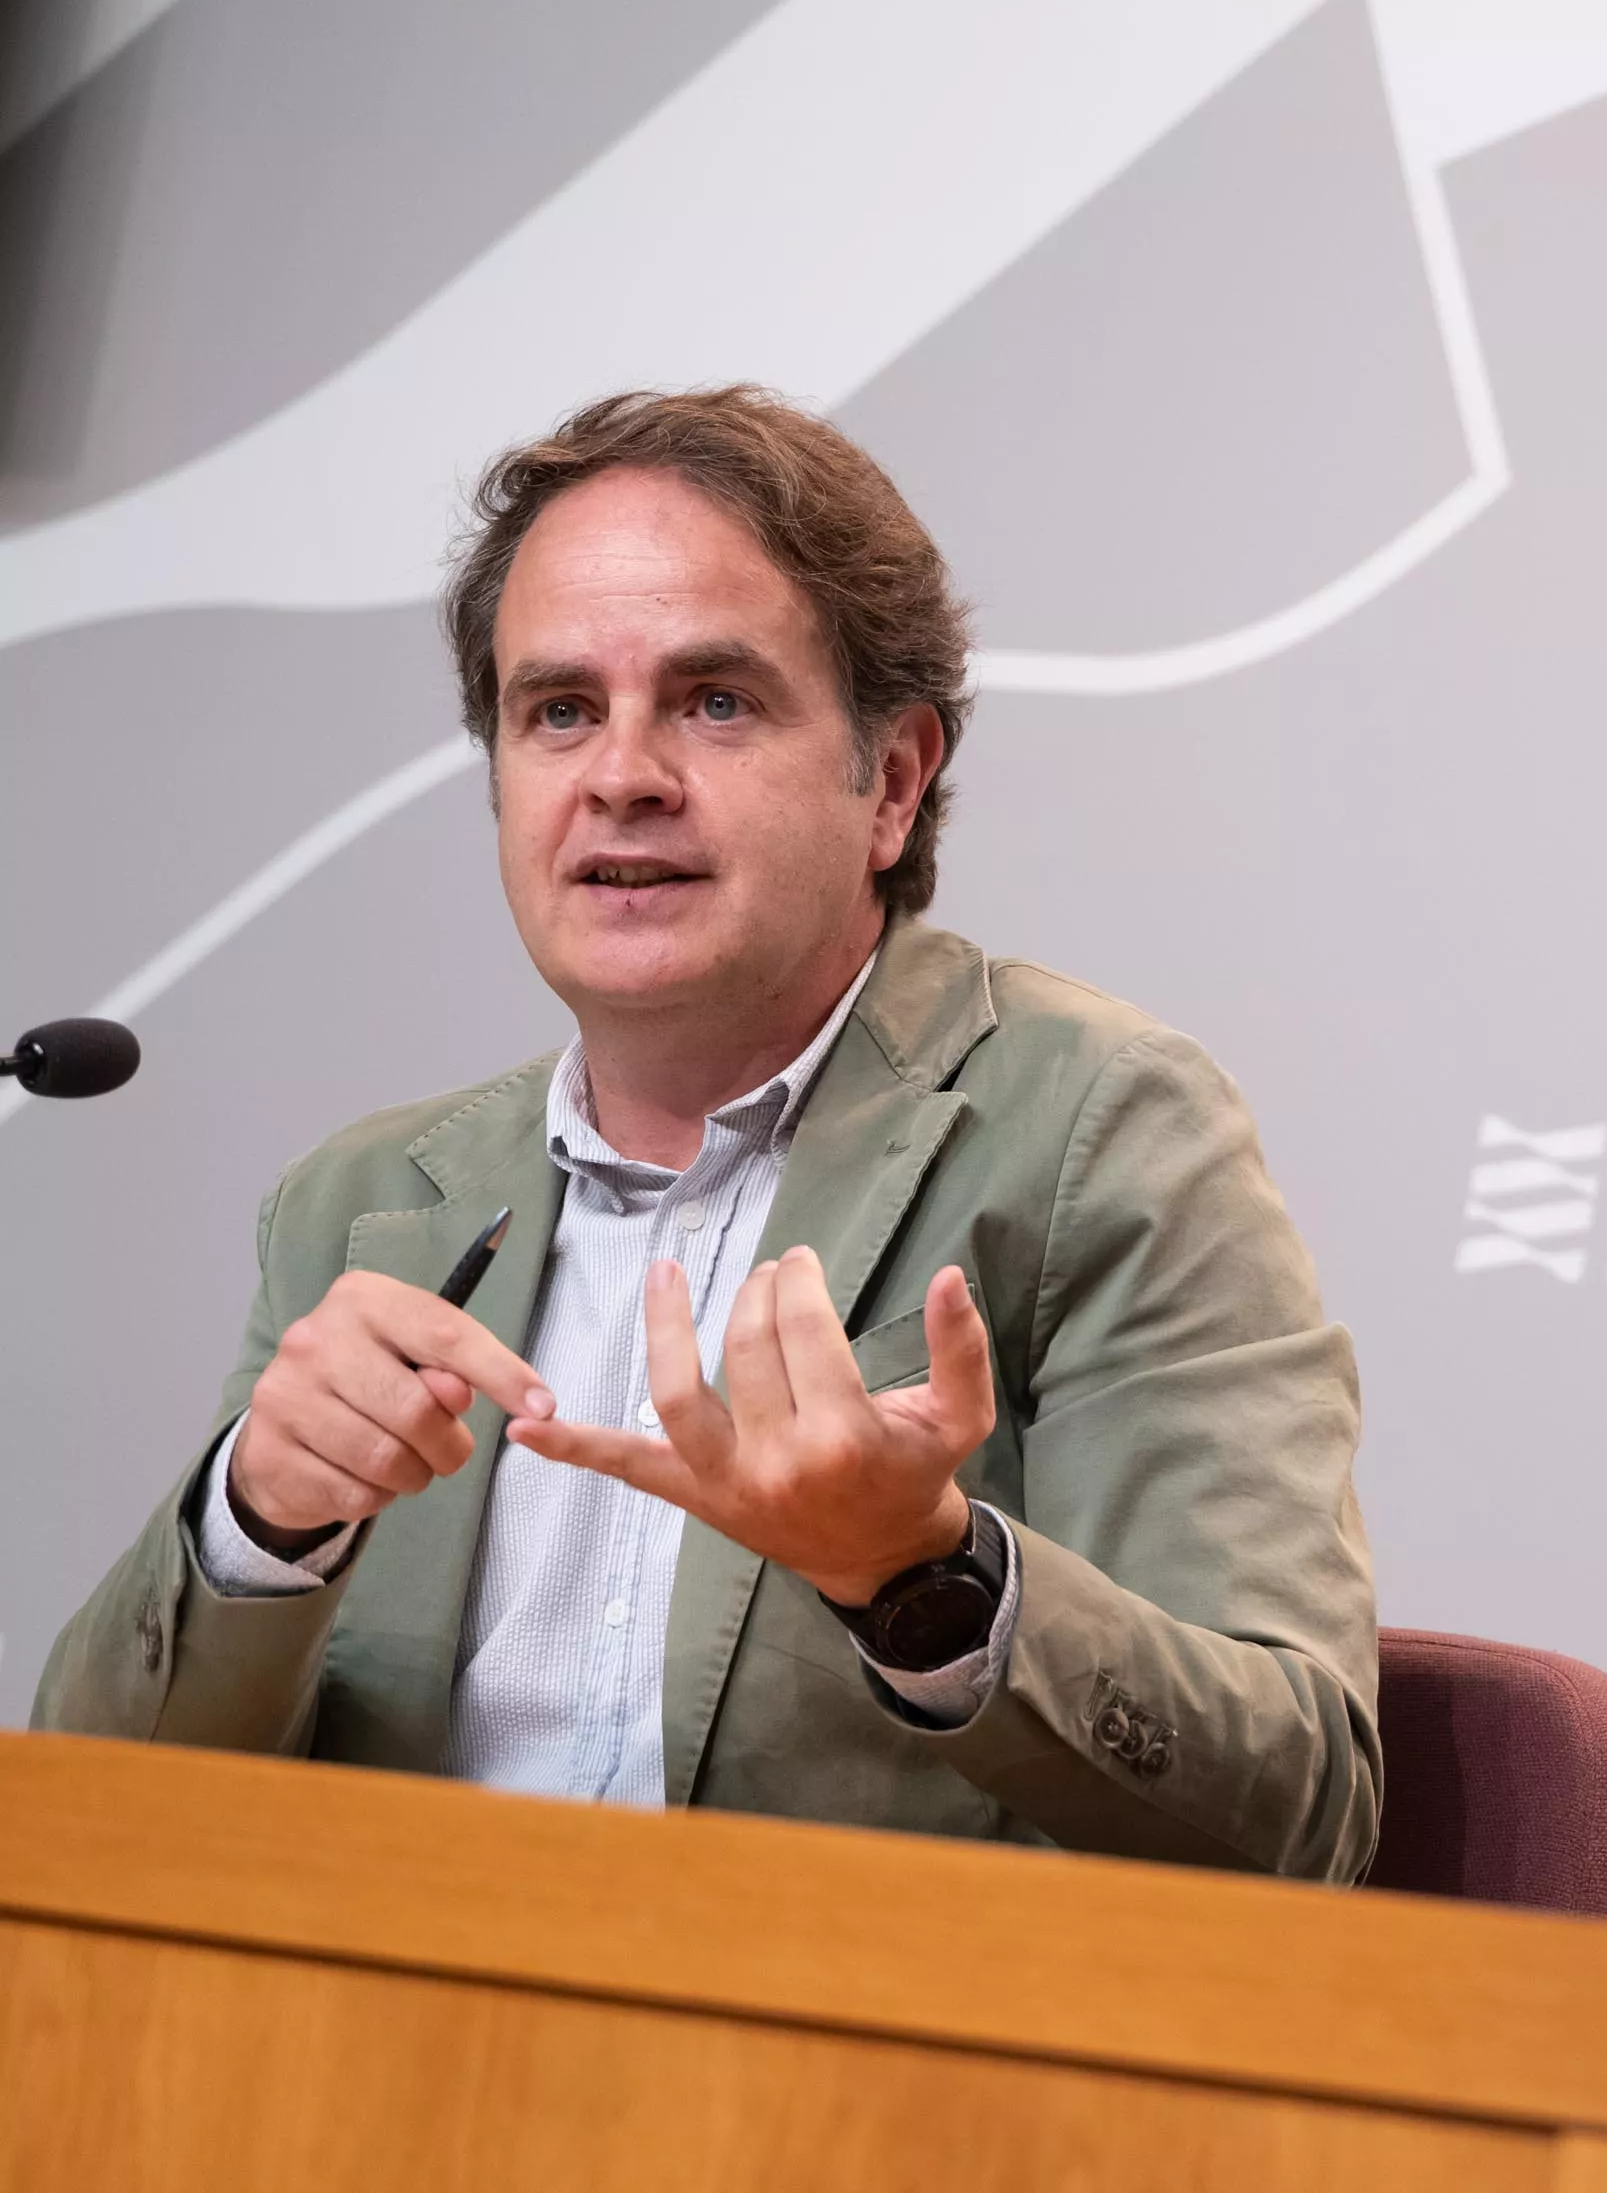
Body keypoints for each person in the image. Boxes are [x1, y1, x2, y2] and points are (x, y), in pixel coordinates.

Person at [34, 387, 1379, 1879]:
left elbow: (1295, 1807)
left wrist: (918, 1578)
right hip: (384, 2074)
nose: (622, 773)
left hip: (832, 2086)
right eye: (558, 710)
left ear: (892, 778)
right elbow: (95, 1830)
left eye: (714, 700)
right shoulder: (365, 1203)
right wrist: (255, 1526)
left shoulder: (1098, 1133)